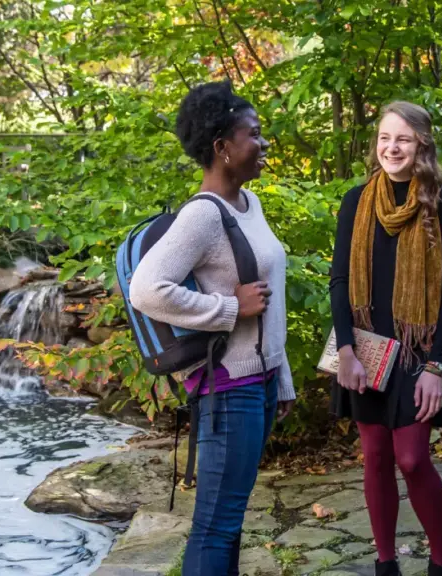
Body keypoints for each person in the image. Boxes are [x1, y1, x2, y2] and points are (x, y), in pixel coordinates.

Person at [128, 81, 296, 576]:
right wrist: (227, 308)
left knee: (231, 517)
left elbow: (272, 301)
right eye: (255, 135)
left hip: (259, 382)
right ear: (222, 147)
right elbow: (146, 289)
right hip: (228, 390)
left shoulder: (251, 206)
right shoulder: (202, 215)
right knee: (215, 525)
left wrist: (281, 377)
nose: (263, 145)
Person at [330, 101, 442, 576]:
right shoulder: (356, 201)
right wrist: (345, 350)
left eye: (403, 139)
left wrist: (437, 365)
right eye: (385, 138)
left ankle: (441, 560)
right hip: (366, 348)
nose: (392, 148)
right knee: (374, 456)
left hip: (416, 351)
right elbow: (340, 282)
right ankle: (385, 563)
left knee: (411, 459)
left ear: (422, 144)